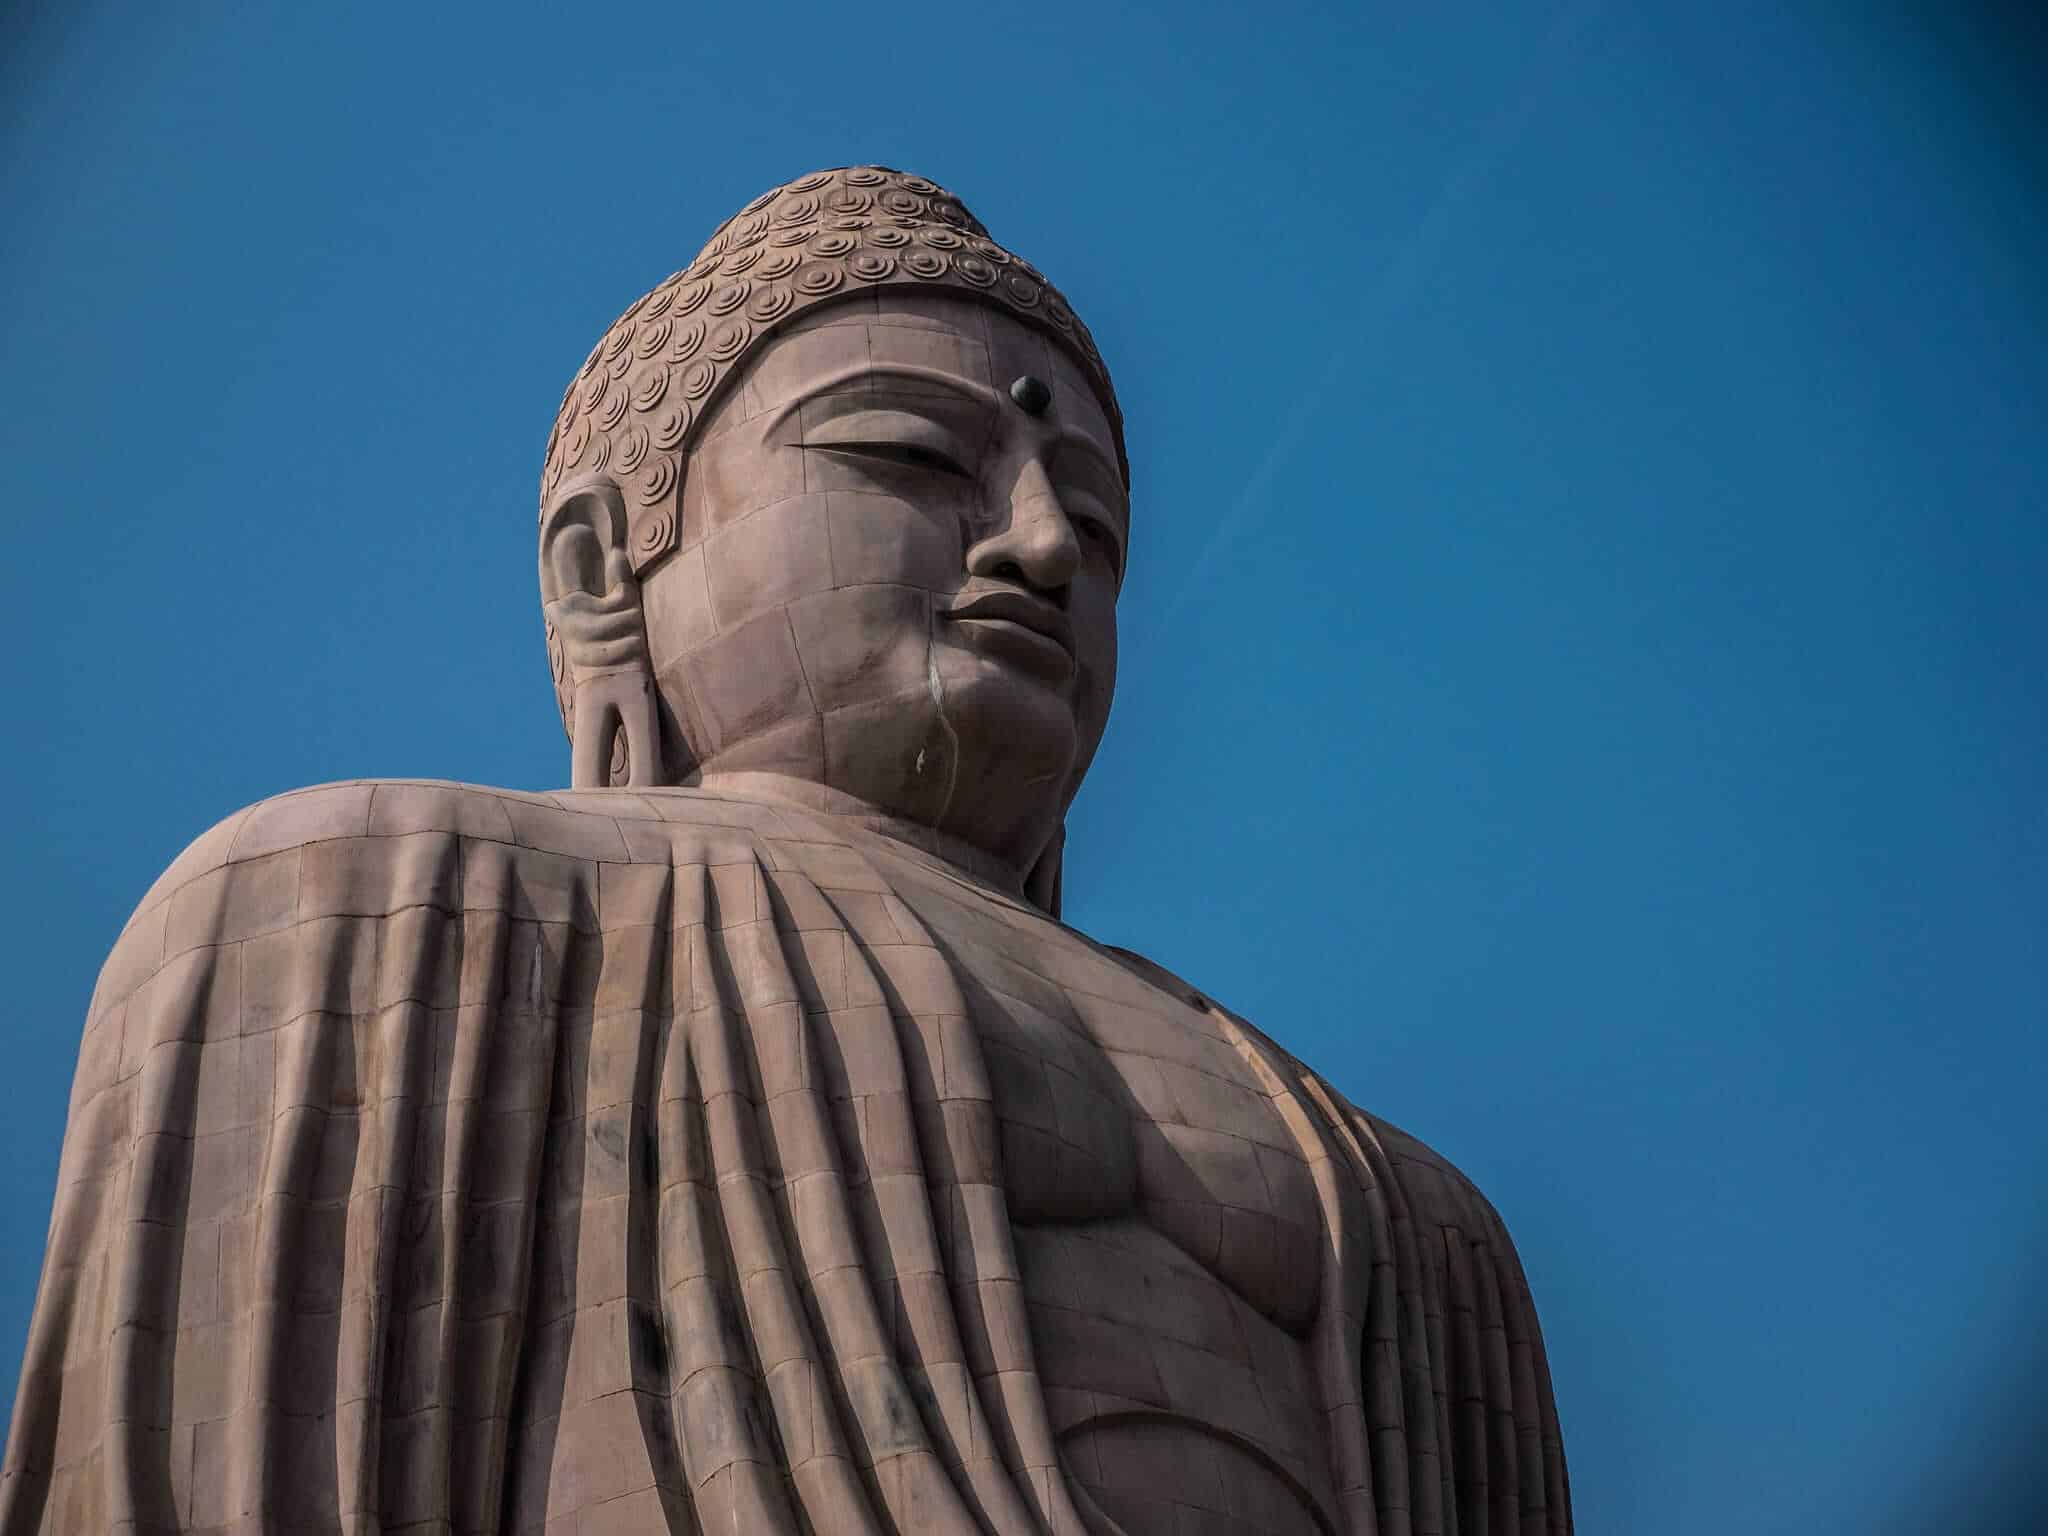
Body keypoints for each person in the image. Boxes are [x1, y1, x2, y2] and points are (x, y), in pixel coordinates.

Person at [2, 167, 1571, 1535]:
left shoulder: (1405, 1201)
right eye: (908, 455)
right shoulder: (388, 903)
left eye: (1093, 529)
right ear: (605, 560)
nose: (1037, 547)